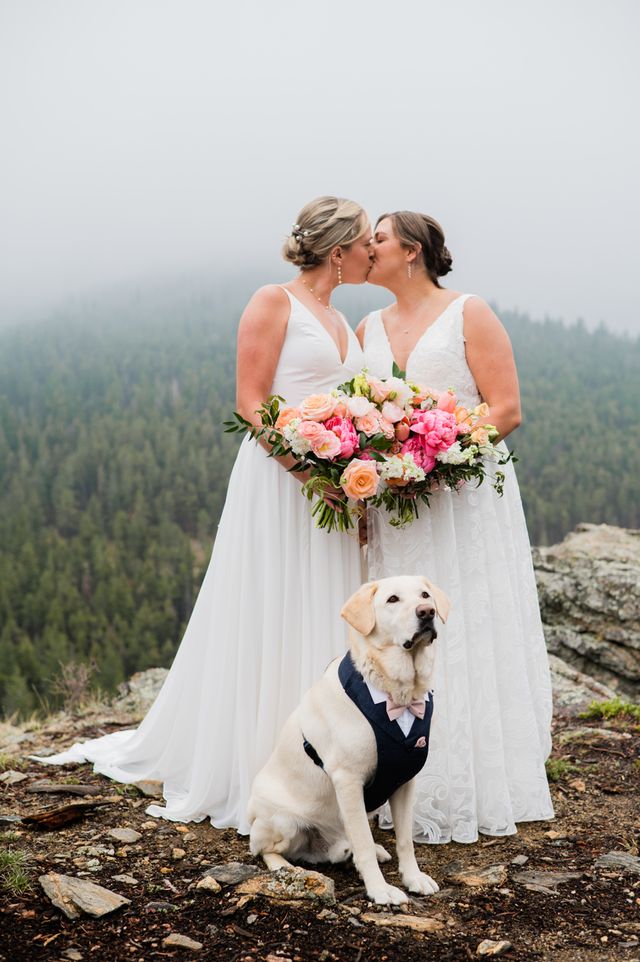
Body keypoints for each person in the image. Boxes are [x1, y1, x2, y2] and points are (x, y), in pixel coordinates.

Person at [34, 196, 372, 835]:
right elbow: (250, 402)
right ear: (339, 249)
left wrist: (351, 474)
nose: (371, 254)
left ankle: (327, 763)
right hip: (281, 480)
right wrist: (308, 474)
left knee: (322, 604)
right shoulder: (274, 301)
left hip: (331, 486)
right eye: (364, 243)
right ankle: (257, 760)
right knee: (271, 602)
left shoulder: (339, 314)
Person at [356, 211, 554, 843]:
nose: (368, 248)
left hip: (463, 494)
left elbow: (507, 409)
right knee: (396, 630)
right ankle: (392, 771)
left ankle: (471, 777)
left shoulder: (470, 312)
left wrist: (439, 458)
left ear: (411, 252)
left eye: (378, 240)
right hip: (397, 504)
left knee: (467, 618)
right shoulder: (368, 327)